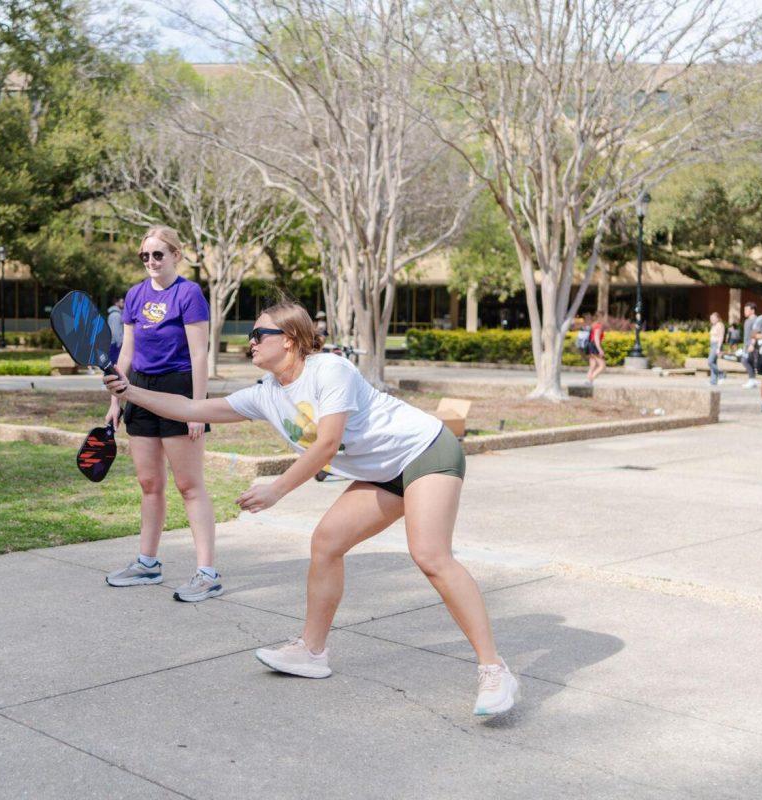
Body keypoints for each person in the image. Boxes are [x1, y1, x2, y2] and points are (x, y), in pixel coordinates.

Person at [103, 301, 518, 717]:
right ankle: (312, 652)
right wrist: (130, 391)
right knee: (327, 542)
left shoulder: (329, 370)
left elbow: (327, 443)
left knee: (430, 555)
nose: (249, 341)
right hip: (381, 471)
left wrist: (277, 490)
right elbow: (192, 409)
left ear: (288, 339)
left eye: (258, 333)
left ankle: (494, 670)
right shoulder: (266, 394)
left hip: (424, 450)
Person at [103, 225, 219, 602]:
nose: (151, 261)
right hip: (139, 388)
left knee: (189, 485)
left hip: (179, 388)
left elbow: (200, 354)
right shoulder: (135, 295)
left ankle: (207, 572)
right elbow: (126, 352)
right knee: (149, 484)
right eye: (145, 256)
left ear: (175, 256)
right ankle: (148, 563)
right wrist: (116, 401)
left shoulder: (189, 293)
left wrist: (197, 408)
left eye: (158, 254)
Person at [740, 302, 759, 389]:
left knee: (745, 361)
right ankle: (753, 380)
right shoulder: (747, 320)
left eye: (746, 310)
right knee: (749, 362)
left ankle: (752, 380)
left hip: (752, 346)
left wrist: (752, 344)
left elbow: (756, 332)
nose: (744, 311)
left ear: (752, 310)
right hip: (746, 345)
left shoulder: (755, 319)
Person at [585, 311, 606, 384]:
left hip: (590, 345)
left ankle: (588, 381)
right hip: (594, 346)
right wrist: (600, 350)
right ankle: (591, 379)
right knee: (602, 365)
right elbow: (596, 338)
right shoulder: (598, 326)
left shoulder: (593, 325)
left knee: (593, 364)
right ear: (601, 317)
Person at [707, 311, 726, 386]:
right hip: (712, 345)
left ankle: (722, 374)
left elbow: (721, 336)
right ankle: (713, 381)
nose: (711, 320)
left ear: (717, 318)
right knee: (713, 362)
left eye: (713, 318)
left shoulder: (720, 325)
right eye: (710, 318)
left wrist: (718, 348)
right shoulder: (713, 326)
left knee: (710, 362)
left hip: (716, 345)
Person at [106, 297, 124, 365]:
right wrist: (120, 343)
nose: (124, 304)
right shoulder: (116, 315)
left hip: (114, 343)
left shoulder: (115, 314)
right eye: (122, 302)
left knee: (113, 365)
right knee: (114, 365)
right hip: (115, 344)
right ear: (116, 303)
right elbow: (115, 331)